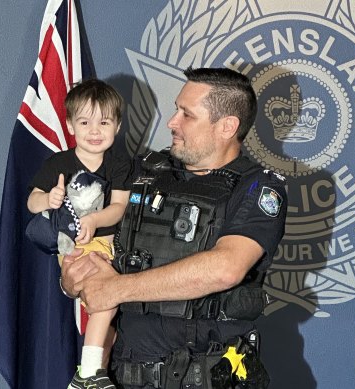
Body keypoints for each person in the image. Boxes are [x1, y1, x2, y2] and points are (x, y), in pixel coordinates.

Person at [61, 67, 288, 388]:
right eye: (176, 109)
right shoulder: (143, 174)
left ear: (227, 126)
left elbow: (226, 268)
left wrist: (115, 289)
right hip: (119, 378)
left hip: (206, 377)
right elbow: (97, 245)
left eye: (187, 114)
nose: (172, 122)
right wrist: (73, 278)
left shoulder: (257, 187)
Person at [27, 78, 131, 389]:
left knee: (108, 315)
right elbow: (32, 202)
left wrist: (96, 219)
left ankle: (91, 369)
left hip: (109, 244)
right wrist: (49, 199)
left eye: (104, 122)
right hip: (73, 247)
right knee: (107, 297)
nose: (95, 131)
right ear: (71, 125)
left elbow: (120, 207)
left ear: (117, 126)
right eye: (85, 122)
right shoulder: (58, 163)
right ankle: (87, 372)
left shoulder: (120, 163)